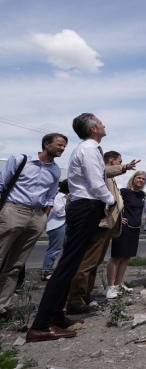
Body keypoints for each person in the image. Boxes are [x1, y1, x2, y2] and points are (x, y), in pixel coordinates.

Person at [28, 113, 114, 342]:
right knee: (67, 265)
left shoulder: (90, 148)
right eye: (101, 122)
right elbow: (96, 183)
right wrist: (111, 200)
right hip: (86, 206)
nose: (104, 124)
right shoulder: (88, 149)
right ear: (94, 128)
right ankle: (41, 325)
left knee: (72, 263)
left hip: (87, 206)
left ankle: (56, 317)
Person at [0, 133, 67, 320]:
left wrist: (43, 217)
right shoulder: (20, 160)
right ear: (46, 144)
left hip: (36, 215)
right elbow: (1, 184)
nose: (62, 149)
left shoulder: (55, 170)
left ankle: (4, 305)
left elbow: (51, 195)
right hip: (13, 210)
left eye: (64, 146)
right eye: (59, 145)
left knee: (15, 265)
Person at [66, 150, 138, 313]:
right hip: (99, 223)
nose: (121, 163)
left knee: (94, 262)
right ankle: (75, 299)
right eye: (119, 161)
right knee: (87, 262)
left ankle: (85, 296)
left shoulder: (110, 178)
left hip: (106, 225)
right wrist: (126, 167)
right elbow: (103, 172)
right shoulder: (101, 172)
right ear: (112, 161)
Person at [105, 170, 146, 298]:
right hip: (123, 228)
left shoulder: (141, 195)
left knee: (126, 257)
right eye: (138, 178)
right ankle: (110, 287)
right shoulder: (124, 192)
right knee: (117, 257)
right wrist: (118, 219)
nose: (141, 180)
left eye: (143, 179)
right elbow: (112, 205)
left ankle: (118, 284)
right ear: (133, 179)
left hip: (135, 228)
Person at [41, 179, 70, 281]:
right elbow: (59, 212)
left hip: (63, 224)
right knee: (54, 249)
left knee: (66, 248)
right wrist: (70, 212)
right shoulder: (58, 196)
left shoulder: (65, 197)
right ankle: (46, 271)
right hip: (57, 225)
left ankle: (61, 270)